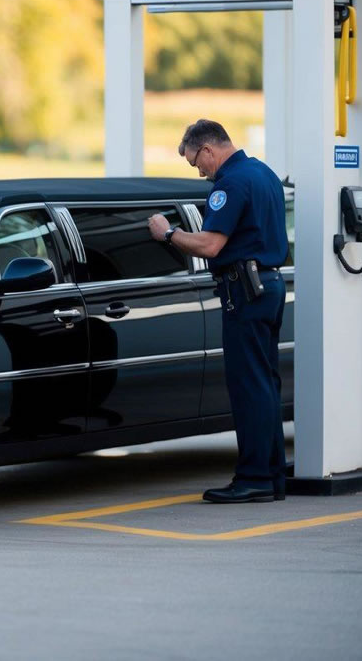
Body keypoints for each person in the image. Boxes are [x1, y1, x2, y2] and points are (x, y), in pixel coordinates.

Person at [147, 119, 289, 504]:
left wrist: (168, 233)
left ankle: (255, 477)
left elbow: (210, 245)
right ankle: (273, 473)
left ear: (208, 149)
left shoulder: (229, 184)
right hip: (270, 286)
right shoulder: (263, 173)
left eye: (197, 163)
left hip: (245, 291)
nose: (201, 172)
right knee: (265, 382)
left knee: (249, 385)